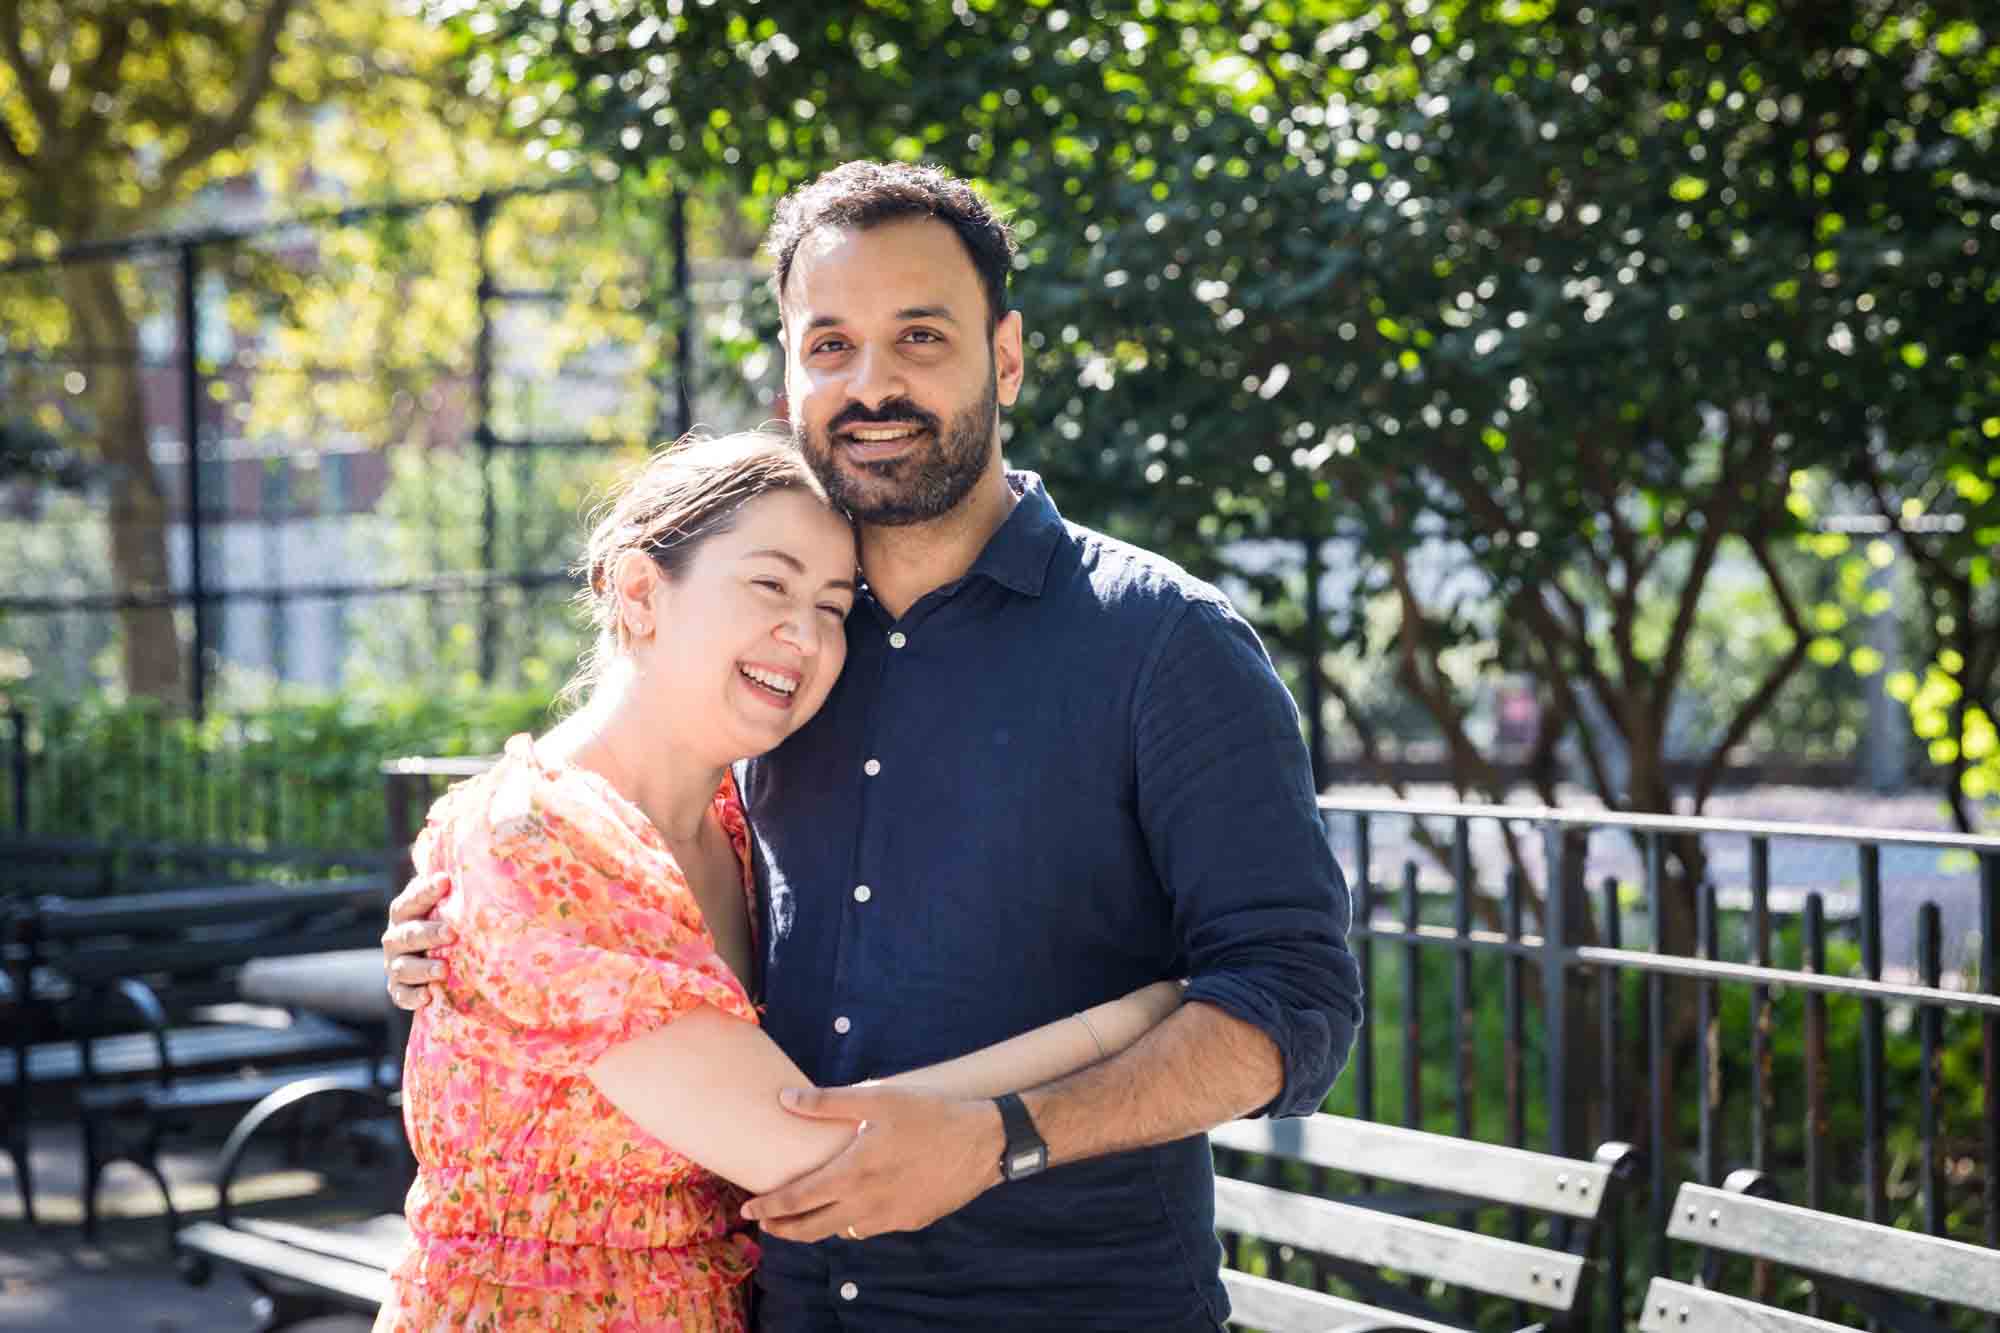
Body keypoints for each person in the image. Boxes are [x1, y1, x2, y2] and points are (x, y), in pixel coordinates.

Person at [386, 161, 1364, 1331]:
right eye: (830, 344)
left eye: (918, 337)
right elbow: (607, 895)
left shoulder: (1164, 643)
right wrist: (456, 937)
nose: (871, 385)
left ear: (1004, 356)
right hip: (789, 1306)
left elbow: (1294, 1000)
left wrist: (1008, 1137)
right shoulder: (771, 671)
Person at [372, 431, 1185, 1333]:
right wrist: (1125, 1023)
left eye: (835, 606)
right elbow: (820, 1153)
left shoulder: (739, 818)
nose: (805, 635)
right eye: (771, 584)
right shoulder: (533, 837)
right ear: (641, 591)